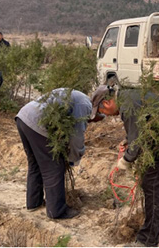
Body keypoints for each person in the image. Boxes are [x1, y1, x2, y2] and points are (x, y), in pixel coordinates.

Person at [93, 86, 159, 247]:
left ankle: (148, 240)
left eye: (102, 111)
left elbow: (136, 144)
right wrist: (128, 140)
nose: (105, 115)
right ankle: (150, 226)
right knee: (151, 184)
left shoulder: (127, 105)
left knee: (153, 185)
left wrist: (125, 160)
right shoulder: (128, 97)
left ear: (107, 103)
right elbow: (140, 127)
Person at [15, 88, 98, 219]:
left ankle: (34, 203)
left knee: (35, 163)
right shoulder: (85, 105)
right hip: (37, 122)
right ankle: (57, 211)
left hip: (23, 116)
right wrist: (73, 159)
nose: (91, 121)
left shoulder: (77, 97)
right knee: (54, 167)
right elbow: (76, 137)